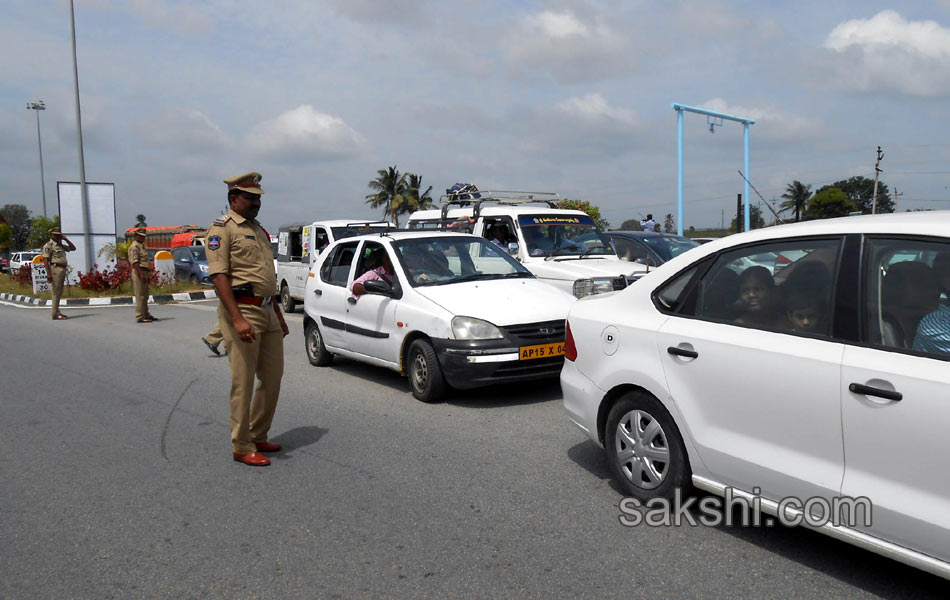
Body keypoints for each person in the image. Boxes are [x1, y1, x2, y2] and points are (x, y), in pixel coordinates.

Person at [206, 171, 290, 467]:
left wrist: (278, 315)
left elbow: (266, 277)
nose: (256, 203)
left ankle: (258, 433)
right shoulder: (222, 230)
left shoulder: (258, 230)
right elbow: (219, 276)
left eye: (258, 198)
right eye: (250, 198)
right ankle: (242, 444)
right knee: (243, 381)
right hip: (242, 310)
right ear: (233, 199)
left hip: (267, 310)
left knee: (273, 377)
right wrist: (237, 318)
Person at [41, 227, 75, 320]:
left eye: (59, 235)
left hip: (62, 269)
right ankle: (55, 313)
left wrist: (65, 239)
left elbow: (73, 248)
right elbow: (45, 260)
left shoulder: (60, 245)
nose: (58, 236)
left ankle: (57, 311)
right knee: (56, 292)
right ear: (51, 235)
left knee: (59, 291)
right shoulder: (49, 245)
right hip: (55, 269)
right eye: (56, 235)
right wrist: (48, 274)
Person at [127, 227, 156, 323]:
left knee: (145, 295)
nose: (143, 238)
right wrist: (141, 274)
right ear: (136, 236)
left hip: (144, 272)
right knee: (140, 295)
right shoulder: (134, 247)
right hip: (139, 272)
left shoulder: (141, 246)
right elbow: (135, 263)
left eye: (144, 236)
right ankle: (140, 316)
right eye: (141, 236)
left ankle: (146, 314)